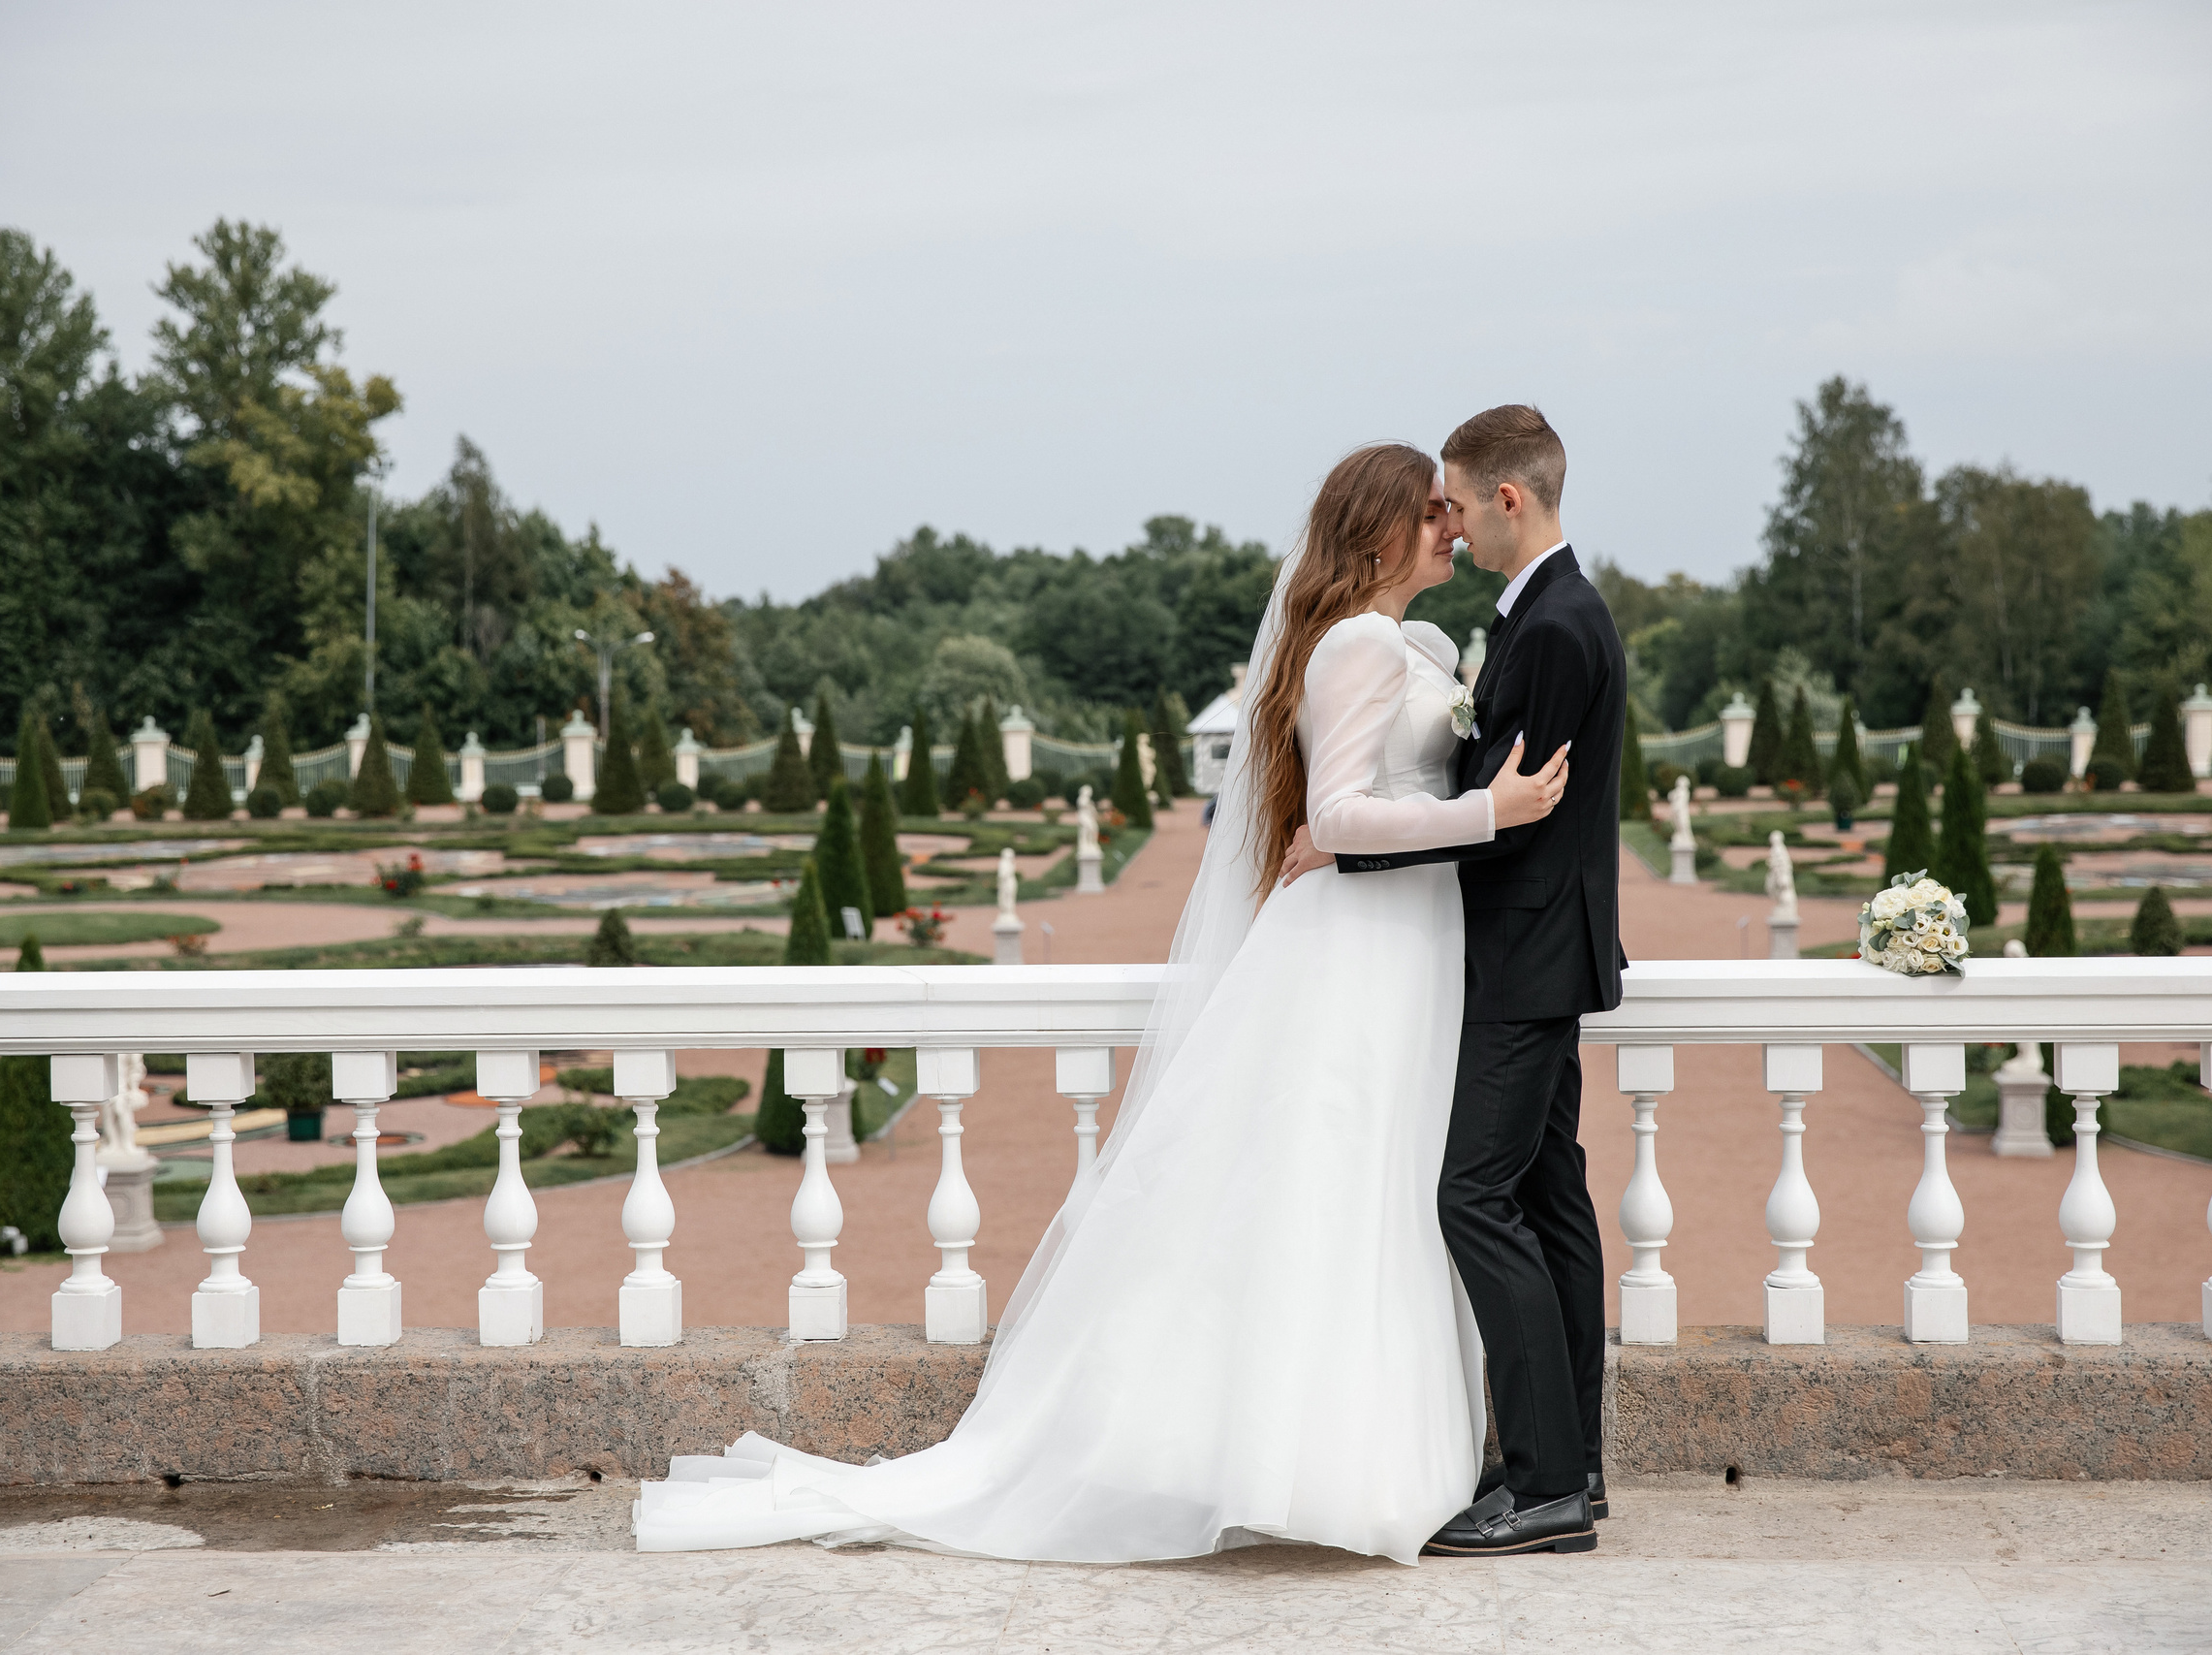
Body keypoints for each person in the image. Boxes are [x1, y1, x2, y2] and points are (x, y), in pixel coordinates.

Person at [634, 442, 1570, 1563]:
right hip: (1359, 950)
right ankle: (1325, 1465)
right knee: (1337, 1185)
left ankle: (1370, 1452)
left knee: (1383, 1191)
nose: (1450, 528)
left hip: (1406, 948)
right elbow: (1336, 822)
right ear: (1376, 532)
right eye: (1429, 513)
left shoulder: (1414, 642)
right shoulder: (1361, 644)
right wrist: (1492, 815)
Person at [1283, 403, 1627, 1556]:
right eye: (1432, 510)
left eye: (1459, 504)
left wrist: (1361, 837)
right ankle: (1566, 1463)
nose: (1454, 524)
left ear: (1506, 500)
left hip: (1520, 957)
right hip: (1518, 953)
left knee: (1473, 1199)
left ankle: (1542, 1486)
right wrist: (1366, 831)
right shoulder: (1527, 621)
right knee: (1543, 1198)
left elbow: (1522, 816)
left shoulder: (1555, 629)